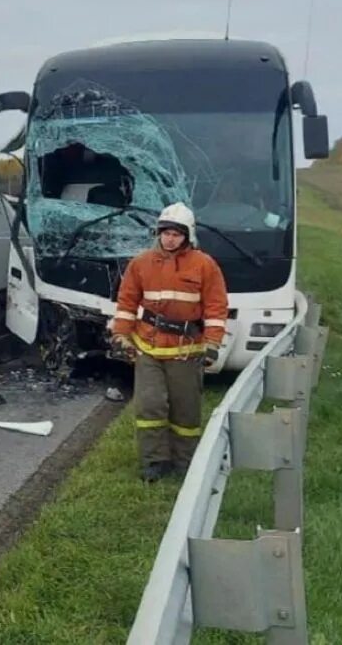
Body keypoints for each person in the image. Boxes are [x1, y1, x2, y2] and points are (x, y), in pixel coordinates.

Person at [110, 202, 229, 483]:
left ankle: (185, 462)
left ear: (187, 235)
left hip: (186, 351)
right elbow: (126, 303)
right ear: (158, 233)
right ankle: (154, 462)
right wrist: (121, 335)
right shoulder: (140, 264)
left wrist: (212, 343)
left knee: (185, 410)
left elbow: (216, 307)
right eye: (165, 233)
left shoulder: (205, 265)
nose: (170, 238)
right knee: (150, 407)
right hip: (148, 348)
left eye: (176, 233)